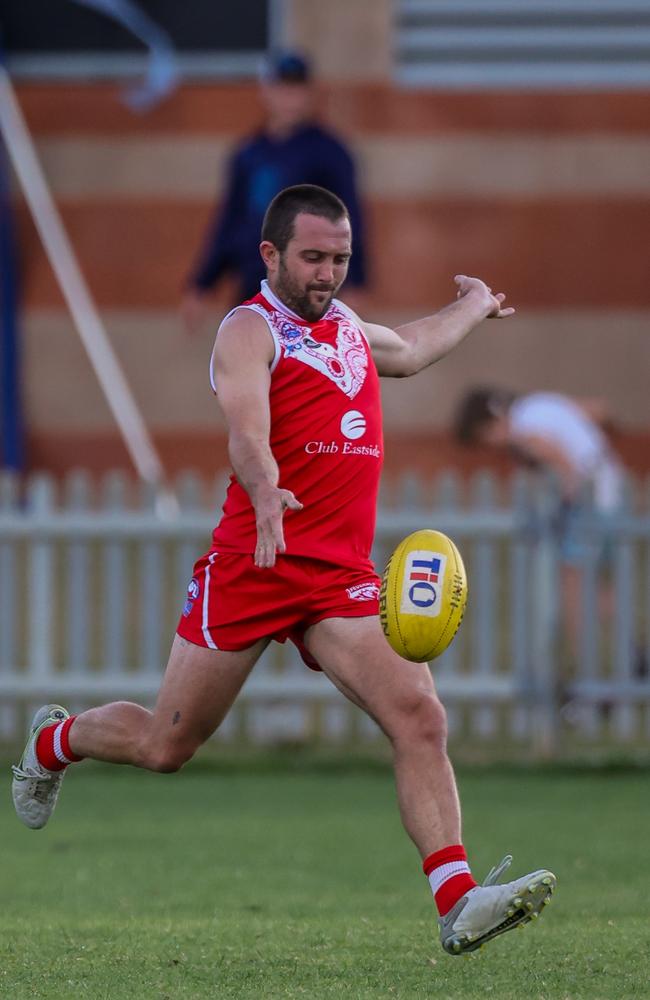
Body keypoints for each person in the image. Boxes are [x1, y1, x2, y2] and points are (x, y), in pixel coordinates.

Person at [12, 185, 555, 957]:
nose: (328, 273)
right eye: (313, 257)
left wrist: (471, 304)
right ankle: (54, 741)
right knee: (167, 747)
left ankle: (457, 898)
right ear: (270, 254)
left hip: (337, 577)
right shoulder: (247, 330)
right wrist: (264, 486)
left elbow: (411, 345)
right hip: (254, 562)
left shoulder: (348, 332)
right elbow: (245, 427)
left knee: (420, 714)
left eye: (340, 258)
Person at [180, 51, 366, 334]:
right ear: (266, 91)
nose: (289, 97)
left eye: (296, 88)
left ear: (309, 93)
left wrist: (355, 281)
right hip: (254, 282)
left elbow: (351, 220)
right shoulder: (248, 153)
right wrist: (202, 284)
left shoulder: (330, 152)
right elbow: (229, 222)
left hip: (308, 289)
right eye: (282, 87)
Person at [453, 387, 626, 660]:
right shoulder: (539, 404)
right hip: (611, 493)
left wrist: (565, 505)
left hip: (591, 504)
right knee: (596, 584)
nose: (490, 447)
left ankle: (584, 662)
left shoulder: (525, 429)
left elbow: (564, 463)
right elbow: (597, 408)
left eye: (484, 438)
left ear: (490, 422)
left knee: (574, 585)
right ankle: (630, 648)